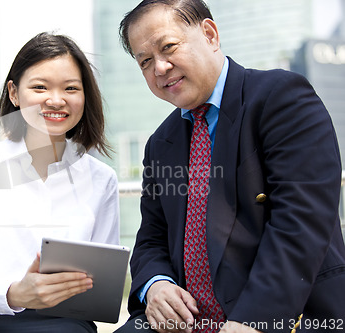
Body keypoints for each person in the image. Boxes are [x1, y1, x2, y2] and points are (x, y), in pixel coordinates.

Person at [115, 1, 345, 332]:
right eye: (145, 61)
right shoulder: (160, 143)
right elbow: (151, 237)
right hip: (185, 321)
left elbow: (301, 221)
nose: (160, 67)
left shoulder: (281, 97)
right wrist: (156, 284)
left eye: (168, 47)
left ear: (209, 34)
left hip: (285, 312)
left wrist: (252, 319)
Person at [0, 32, 120, 333]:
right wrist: (14, 293)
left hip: (65, 320)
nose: (56, 99)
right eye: (39, 87)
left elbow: (100, 280)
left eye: (71, 89)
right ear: (14, 93)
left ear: (84, 96)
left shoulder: (102, 179)